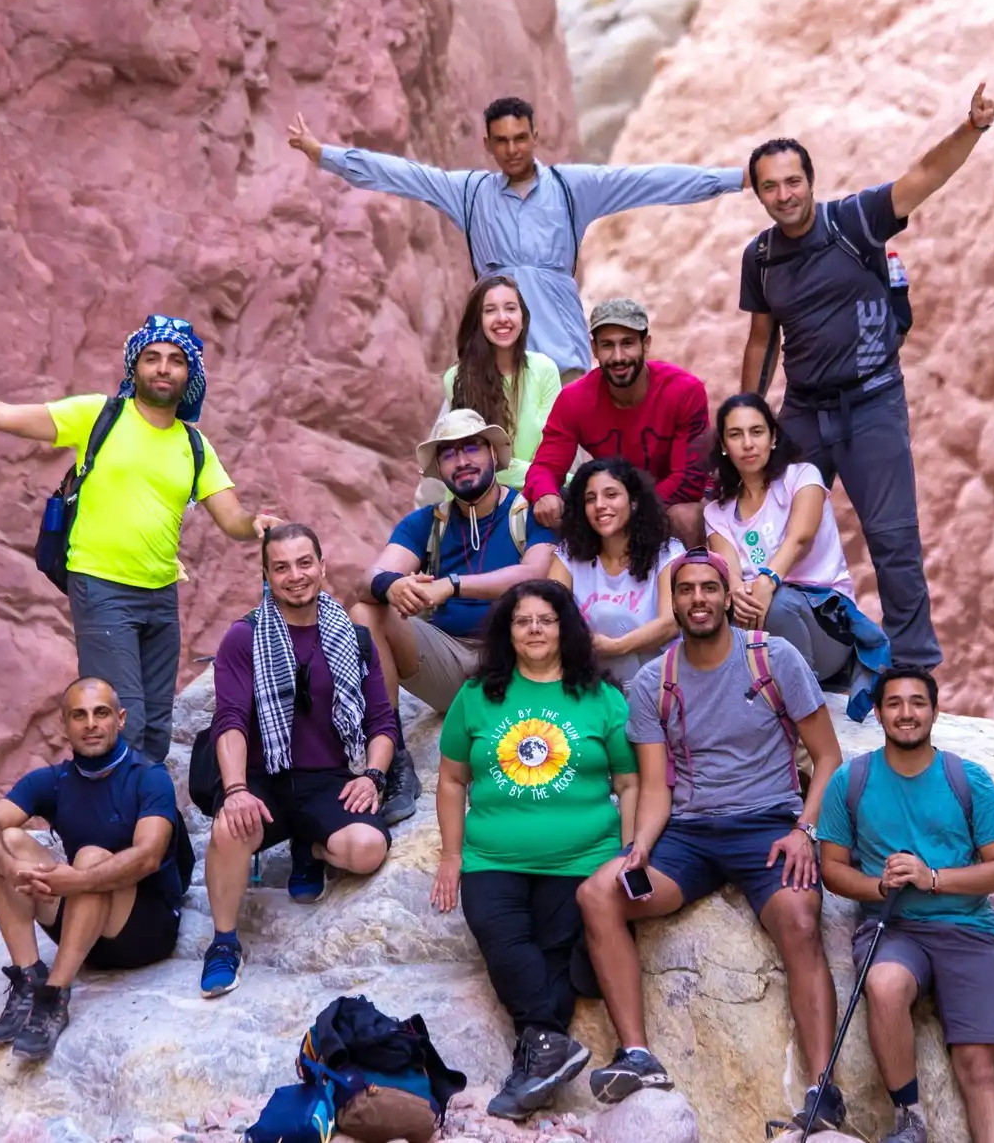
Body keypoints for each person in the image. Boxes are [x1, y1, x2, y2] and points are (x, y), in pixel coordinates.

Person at [0, 316, 275, 761]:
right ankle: (120, 824)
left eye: (176, 361)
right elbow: (8, 417)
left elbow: (231, 517)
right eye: (152, 358)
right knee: (127, 718)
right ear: (134, 367)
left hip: (161, 595)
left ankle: (149, 825)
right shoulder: (99, 415)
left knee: (157, 726)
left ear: (188, 375)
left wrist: (255, 524)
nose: (163, 368)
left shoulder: (194, 445)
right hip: (101, 587)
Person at [737, 85, 994, 674]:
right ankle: (796, 657)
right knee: (778, 533)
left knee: (893, 540)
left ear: (811, 180)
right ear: (758, 193)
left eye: (792, 182)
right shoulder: (759, 258)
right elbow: (763, 338)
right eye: (770, 187)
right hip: (805, 409)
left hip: (872, 401)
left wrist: (972, 128)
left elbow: (924, 175)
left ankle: (911, 671)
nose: (784, 195)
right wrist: (748, 418)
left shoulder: (855, 220)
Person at [577, 549, 847, 1125]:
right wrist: (641, 845)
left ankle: (823, 1091)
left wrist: (806, 829)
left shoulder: (773, 659)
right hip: (690, 835)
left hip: (770, 827)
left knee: (800, 919)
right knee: (599, 894)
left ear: (727, 597)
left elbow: (827, 758)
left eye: (708, 588)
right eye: (685, 590)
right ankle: (639, 1055)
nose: (698, 599)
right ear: (671, 602)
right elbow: (654, 786)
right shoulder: (655, 681)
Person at [289, 99, 744, 380]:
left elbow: (649, 181)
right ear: (487, 144)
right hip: (500, 354)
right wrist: (324, 155)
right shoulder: (468, 193)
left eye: (521, 138)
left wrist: (734, 178)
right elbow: (401, 175)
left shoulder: (571, 187)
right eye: (502, 141)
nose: (513, 149)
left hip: (562, 347)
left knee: (572, 467)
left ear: (535, 136)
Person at [430, 580, 639, 1120]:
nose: (535, 630)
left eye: (546, 620)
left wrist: (629, 852)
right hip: (492, 857)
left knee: (551, 958)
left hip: (583, 859)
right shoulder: (478, 697)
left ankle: (538, 1055)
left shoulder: (600, 697)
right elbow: (452, 780)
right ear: (508, 631)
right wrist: (451, 855)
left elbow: (631, 781)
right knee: (501, 934)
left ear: (566, 628)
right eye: (523, 621)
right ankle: (547, 1044)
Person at [818, 668, 994, 1143]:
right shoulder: (852, 780)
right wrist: (878, 887)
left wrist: (931, 878)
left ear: (933, 710)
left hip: (968, 927)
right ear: (878, 712)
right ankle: (909, 1120)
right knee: (884, 984)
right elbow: (832, 867)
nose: (906, 714)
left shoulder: (969, 779)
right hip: (895, 928)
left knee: (979, 1065)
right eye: (894, 704)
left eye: (917, 703)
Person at [198, 524, 399, 997]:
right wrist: (235, 791)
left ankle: (308, 848)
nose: (295, 576)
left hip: (327, 778)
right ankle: (224, 942)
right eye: (282, 567)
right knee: (229, 829)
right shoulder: (243, 637)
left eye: (305, 563)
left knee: (367, 849)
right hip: (262, 777)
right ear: (266, 575)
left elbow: (383, 724)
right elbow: (229, 719)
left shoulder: (354, 637)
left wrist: (372, 775)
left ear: (322, 566)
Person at [352, 410, 560, 821]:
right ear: (439, 468)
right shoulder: (426, 522)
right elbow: (367, 579)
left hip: (515, 661)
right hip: (447, 660)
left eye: (471, 448)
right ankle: (393, 757)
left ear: (494, 454)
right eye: (449, 454)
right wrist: (391, 585)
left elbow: (535, 573)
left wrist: (452, 584)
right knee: (365, 609)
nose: (462, 461)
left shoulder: (530, 513)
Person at [0, 677, 186, 1061]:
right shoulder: (54, 781)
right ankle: (29, 977)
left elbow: (149, 855)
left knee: (89, 857)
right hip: (81, 927)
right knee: (7, 841)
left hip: (143, 929)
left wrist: (79, 880)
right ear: (65, 726)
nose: (90, 724)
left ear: (120, 719)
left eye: (101, 713)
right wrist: (8, 865)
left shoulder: (148, 777)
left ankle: (54, 996)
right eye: (79, 715)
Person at [704, 392, 867, 685]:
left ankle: (803, 706)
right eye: (736, 435)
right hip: (757, 618)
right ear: (724, 446)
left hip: (825, 624)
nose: (748, 443)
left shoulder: (802, 478)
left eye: (757, 432)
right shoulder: (718, 512)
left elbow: (799, 541)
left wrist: (767, 582)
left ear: (773, 437)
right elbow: (730, 573)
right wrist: (740, 594)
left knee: (779, 603)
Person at [526, 299, 711, 543]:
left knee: (685, 516)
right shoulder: (575, 399)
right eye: (607, 345)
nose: (618, 356)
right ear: (594, 349)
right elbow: (546, 467)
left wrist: (630, 510)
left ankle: (696, 578)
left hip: (668, 502)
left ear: (646, 344)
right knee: (546, 510)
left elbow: (687, 480)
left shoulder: (684, 391)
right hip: (612, 502)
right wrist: (545, 494)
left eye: (627, 344)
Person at [547, 459, 683, 682]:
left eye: (611, 495)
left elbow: (671, 622)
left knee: (605, 614)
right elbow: (549, 612)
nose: (599, 505)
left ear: (634, 502)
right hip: (592, 670)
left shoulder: (667, 552)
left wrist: (617, 646)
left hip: (655, 675)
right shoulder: (569, 555)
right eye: (591, 498)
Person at [442, 274, 561, 491]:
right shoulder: (457, 378)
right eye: (490, 310)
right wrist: (544, 476)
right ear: (478, 320)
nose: (502, 318)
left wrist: (546, 478)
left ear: (523, 318)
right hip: (479, 499)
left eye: (510, 308)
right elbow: (478, 462)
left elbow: (553, 451)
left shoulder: (545, 369)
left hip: (538, 494)